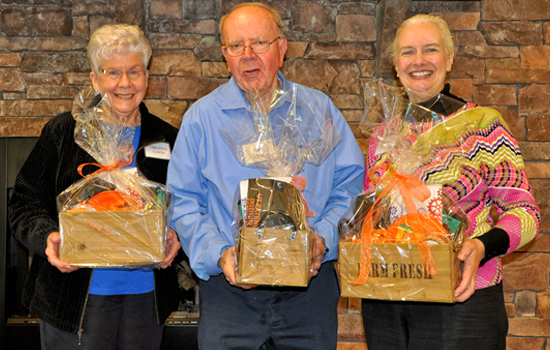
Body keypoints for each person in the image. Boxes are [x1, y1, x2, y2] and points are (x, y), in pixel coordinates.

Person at [166, 2, 365, 349]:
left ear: (282, 48)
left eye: (259, 42)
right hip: (229, 296)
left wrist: (322, 240)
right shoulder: (201, 119)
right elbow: (183, 203)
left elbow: (350, 189)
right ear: (225, 55)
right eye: (235, 46)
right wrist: (220, 254)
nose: (247, 55)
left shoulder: (320, 111)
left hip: (309, 294)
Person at [361, 14, 541, 350]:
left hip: (462, 297)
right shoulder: (382, 136)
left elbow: (525, 213)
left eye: (430, 49)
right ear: (396, 66)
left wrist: (482, 246)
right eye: (407, 52)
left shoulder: (485, 127)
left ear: (450, 58)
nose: (419, 61)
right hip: (387, 301)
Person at [8, 24, 181, 350]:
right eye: (112, 72)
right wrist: (49, 237)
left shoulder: (166, 138)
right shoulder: (63, 132)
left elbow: (184, 205)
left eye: (134, 71)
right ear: (95, 79)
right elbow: (24, 204)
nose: (125, 83)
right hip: (72, 299)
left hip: (145, 299)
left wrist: (177, 237)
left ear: (147, 77)